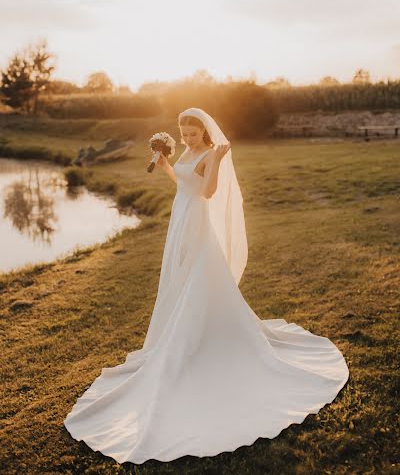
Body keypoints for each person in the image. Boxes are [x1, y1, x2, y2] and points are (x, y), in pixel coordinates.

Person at [63, 107, 349, 465]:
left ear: (204, 131)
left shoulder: (210, 152)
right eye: (183, 131)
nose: (187, 136)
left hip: (197, 217)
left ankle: (201, 335)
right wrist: (164, 162)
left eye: (192, 132)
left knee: (200, 274)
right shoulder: (184, 150)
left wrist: (214, 159)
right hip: (180, 216)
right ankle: (182, 330)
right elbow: (182, 183)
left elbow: (208, 191)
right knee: (180, 275)